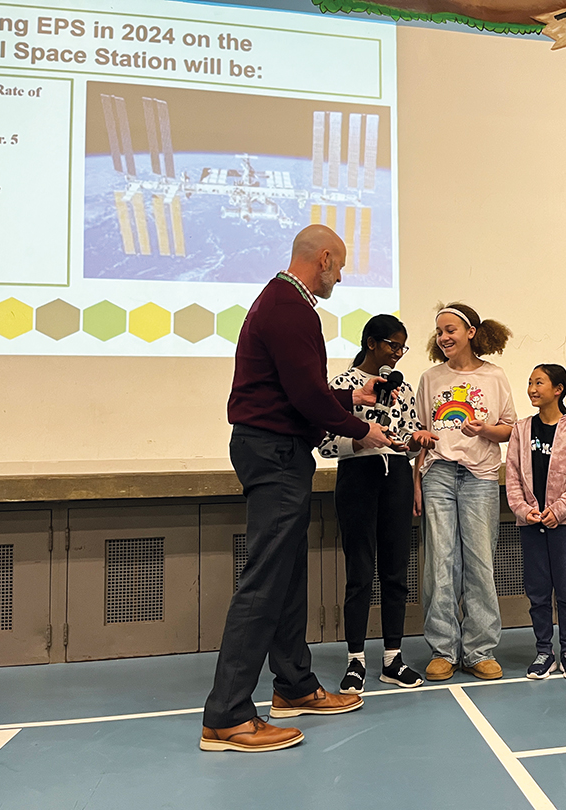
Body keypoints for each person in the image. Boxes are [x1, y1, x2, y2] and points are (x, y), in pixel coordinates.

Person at [200, 225, 393, 753]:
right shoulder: (291, 307)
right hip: (276, 452)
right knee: (265, 581)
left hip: (277, 448)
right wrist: (362, 429)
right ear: (324, 257)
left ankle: (295, 687)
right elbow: (306, 396)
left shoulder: (281, 302)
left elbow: (299, 388)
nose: (342, 275)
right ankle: (226, 717)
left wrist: (353, 396)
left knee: (285, 579)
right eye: (341, 265)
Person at [319, 314, 438, 694]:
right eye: (393, 345)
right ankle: (355, 660)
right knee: (359, 571)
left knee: (396, 570)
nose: (399, 354)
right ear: (371, 342)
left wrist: (415, 440)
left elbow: (405, 434)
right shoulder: (342, 385)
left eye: (403, 348)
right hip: (357, 477)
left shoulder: (402, 391)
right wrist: (357, 442)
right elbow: (323, 444)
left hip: (397, 477)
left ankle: (392, 658)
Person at [414, 303, 516, 681]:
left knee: (479, 562)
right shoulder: (430, 378)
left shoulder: (494, 376)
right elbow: (423, 435)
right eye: (439, 331)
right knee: (440, 562)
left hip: (481, 476)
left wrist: (484, 430)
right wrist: (417, 485)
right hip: (437, 473)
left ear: (471, 332)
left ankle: (479, 650)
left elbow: (510, 428)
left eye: (451, 329)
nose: (444, 337)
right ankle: (443, 649)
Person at [506, 364, 566, 680]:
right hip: (531, 524)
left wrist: (559, 510)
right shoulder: (521, 429)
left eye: (539, 382)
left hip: (564, 524)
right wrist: (522, 510)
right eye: (529, 382)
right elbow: (512, 474)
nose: (531, 388)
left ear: (558, 389)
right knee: (538, 591)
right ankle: (544, 651)